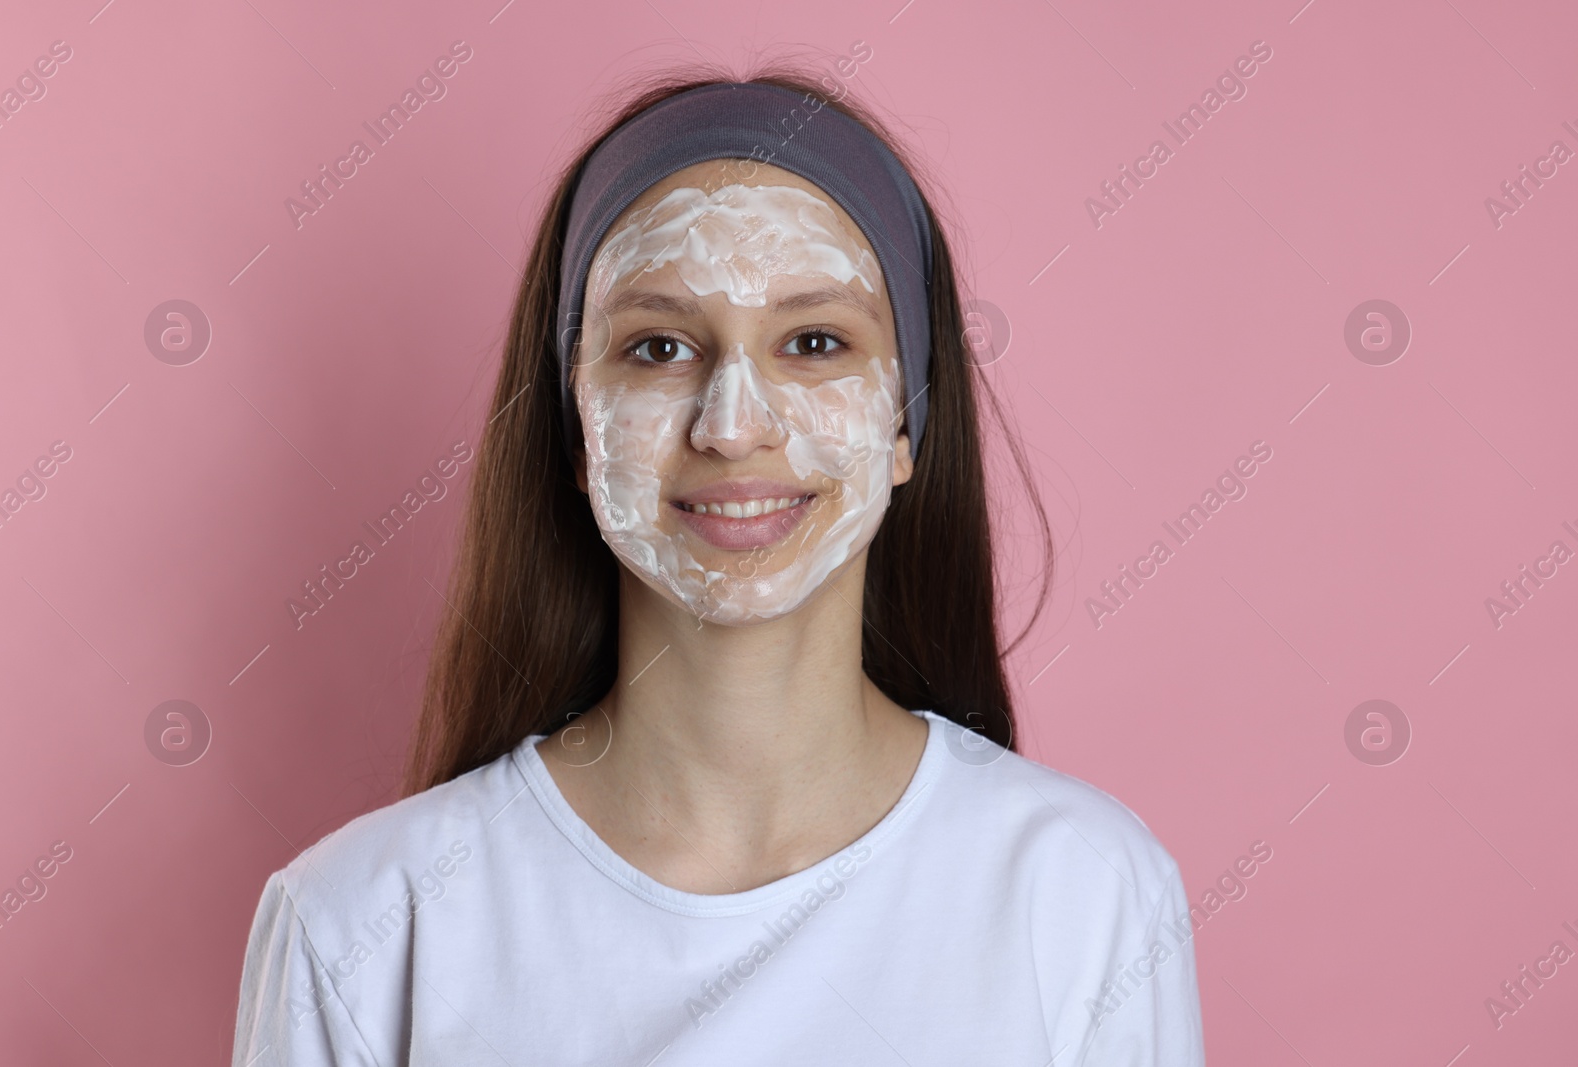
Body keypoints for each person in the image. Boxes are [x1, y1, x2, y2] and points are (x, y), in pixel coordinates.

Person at [231, 70, 1204, 1065]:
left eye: (814, 341)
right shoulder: (362, 927)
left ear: (905, 418)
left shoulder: (1085, 894)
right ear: (576, 427)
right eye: (657, 347)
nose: (733, 427)